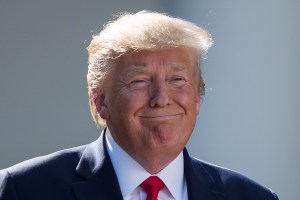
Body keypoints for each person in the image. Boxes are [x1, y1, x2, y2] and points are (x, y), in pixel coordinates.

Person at [0, 10, 278, 200]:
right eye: (140, 81)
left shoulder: (251, 196)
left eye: (177, 79)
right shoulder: (24, 189)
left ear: (198, 97)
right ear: (101, 101)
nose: (161, 98)